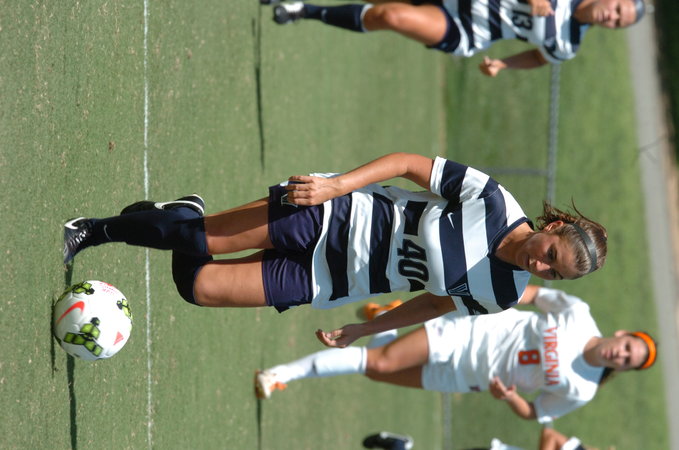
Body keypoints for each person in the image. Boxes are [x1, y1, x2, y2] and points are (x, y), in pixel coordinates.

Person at [63, 153, 606, 327]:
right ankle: (94, 230)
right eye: (552, 256)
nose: (542, 268)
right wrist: (337, 185)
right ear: (553, 228)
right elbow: (409, 163)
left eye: (554, 274)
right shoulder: (492, 200)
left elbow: (434, 304)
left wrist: (363, 330)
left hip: (329, 279)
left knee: (199, 287)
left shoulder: (504, 294)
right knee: (198, 240)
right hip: (333, 216)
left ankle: (183, 211)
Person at [255, 285, 658, 427]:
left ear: (622, 369)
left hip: (469, 378)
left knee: (377, 372)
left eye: (627, 361)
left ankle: (385, 318)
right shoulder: (579, 314)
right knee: (380, 363)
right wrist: (492, 296)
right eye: (628, 347)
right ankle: (279, 375)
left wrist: (510, 398)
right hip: (467, 334)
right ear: (622, 335)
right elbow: (534, 294)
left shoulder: (583, 389)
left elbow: (536, 412)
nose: (620, 355)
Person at [266, 0, 646, 77]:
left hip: (465, 27)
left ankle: (304, 10)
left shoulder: (568, 44)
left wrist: (503, 63)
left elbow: (539, 57)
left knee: (390, 16)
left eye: (618, 22)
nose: (611, 17)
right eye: (617, 9)